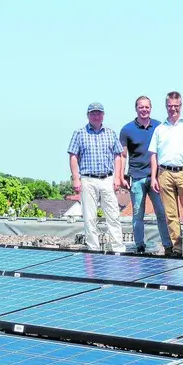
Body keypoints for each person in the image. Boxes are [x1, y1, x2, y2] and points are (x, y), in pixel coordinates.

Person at [67, 102, 126, 253]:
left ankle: (118, 248)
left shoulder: (110, 133)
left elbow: (118, 156)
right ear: (88, 116)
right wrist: (76, 178)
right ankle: (93, 249)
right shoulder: (79, 133)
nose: (96, 116)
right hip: (88, 179)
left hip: (107, 179)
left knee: (113, 215)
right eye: (93, 113)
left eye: (98, 113)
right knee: (89, 217)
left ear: (103, 115)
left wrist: (118, 177)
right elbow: (73, 156)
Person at [118, 96, 171, 254]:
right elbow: (122, 155)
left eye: (147, 107)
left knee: (161, 213)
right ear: (136, 109)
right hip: (137, 177)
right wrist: (121, 176)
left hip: (156, 177)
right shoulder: (127, 129)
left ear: (151, 108)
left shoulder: (159, 126)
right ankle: (140, 244)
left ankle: (168, 245)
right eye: (141, 107)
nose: (144, 110)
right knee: (137, 214)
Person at [148, 91, 183, 256]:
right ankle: (177, 248)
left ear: (181, 106)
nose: (173, 109)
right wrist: (154, 177)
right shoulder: (160, 129)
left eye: (176, 106)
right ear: (166, 106)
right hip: (165, 174)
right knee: (170, 215)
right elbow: (153, 155)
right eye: (170, 106)